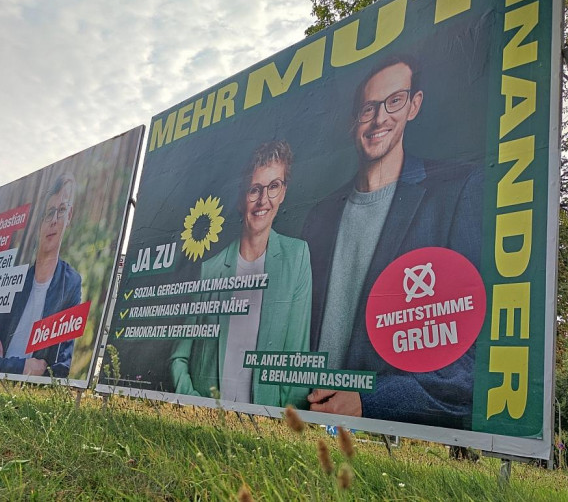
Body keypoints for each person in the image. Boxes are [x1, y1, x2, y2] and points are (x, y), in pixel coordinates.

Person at [301, 55, 482, 429]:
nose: (380, 118)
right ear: (354, 121)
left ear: (414, 105)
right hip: (303, 415)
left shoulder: (456, 191)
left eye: (394, 101)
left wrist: (369, 402)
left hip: (384, 441)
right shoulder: (319, 215)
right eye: (369, 108)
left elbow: (470, 362)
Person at [170, 141, 312, 408]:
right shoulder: (209, 269)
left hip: (266, 427)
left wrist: (282, 429)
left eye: (273, 187)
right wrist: (195, 405)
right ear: (240, 198)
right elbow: (179, 356)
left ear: (283, 193)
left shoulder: (297, 257)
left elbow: (297, 360)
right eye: (254, 190)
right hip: (206, 423)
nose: (263, 201)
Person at [0, 173, 82, 378]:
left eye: (61, 211)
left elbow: (60, 368)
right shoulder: (16, 282)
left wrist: (3, 363)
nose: (53, 221)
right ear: (39, 222)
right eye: (49, 212)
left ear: (69, 216)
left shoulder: (70, 283)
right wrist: (23, 367)